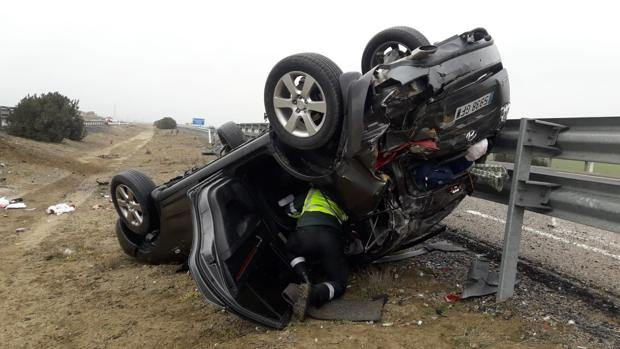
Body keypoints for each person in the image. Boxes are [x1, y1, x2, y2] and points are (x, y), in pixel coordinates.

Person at [284, 188, 349, 320]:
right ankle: (314, 293)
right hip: (330, 238)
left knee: (291, 250)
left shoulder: (311, 192)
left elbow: (289, 211)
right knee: (339, 283)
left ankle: (306, 279)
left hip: (305, 234)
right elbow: (347, 223)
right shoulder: (344, 197)